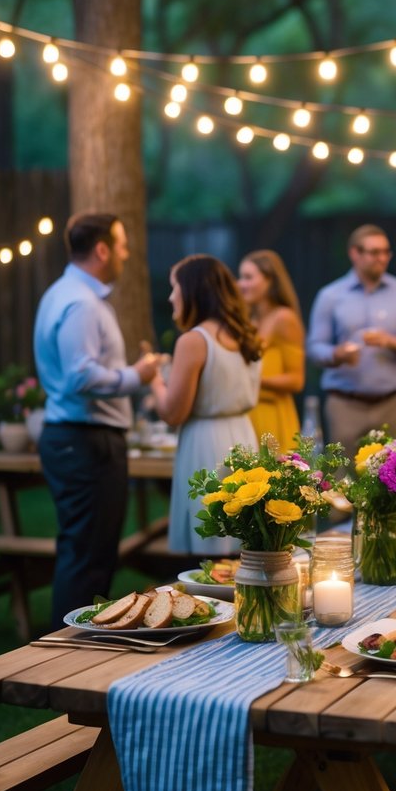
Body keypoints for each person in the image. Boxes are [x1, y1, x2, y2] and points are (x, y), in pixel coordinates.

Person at [34, 212, 160, 629]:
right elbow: (80, 375)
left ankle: (79, 644)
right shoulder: (80, 303)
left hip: (81, 437)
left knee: (91, 550)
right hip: (84, 439)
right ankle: (67, 650)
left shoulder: (67, 294)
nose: (126, 253)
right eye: (122, 244)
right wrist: (136, 376)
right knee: (88, 554)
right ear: (103, 249)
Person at [150, 255, 262, 555]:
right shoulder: (245, 334)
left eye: (175, 288)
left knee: (209, 540)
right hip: (242, 437)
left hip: (205, 443)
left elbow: (174, 412)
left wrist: (154, 381)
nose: (171, 296)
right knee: (241, 536)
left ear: (193, 291)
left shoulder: (194, 340)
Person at [307, 223, 396, 460]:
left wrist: (395, 342)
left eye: (386, 252)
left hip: (392, 403)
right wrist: (336, 354)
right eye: (374, 252)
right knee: (342, 482)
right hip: (345, 404)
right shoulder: (330, 295)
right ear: (354, 253)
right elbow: (314, 347)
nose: (381, 258)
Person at [238, 249, 305, 452]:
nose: (241, 284)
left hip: (273, 418)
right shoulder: (249, 320)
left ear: (270, 281)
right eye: (241, 277)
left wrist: (251, 378)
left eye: (248, 277)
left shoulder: (284, 318)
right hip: (247, 416)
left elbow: (297, 379)